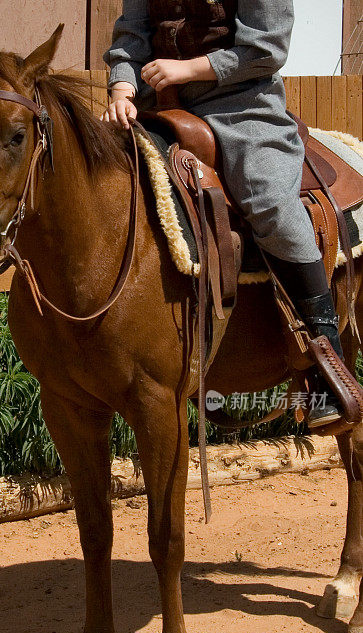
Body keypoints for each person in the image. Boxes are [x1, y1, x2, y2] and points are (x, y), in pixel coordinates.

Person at [101, 0, 345, 427]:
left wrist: (189, 69)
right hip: (153, 105)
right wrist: (121, 87)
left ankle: (326, 363)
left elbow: (266, 48)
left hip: (241, 106)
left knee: (269, 200)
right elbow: (131, 34)